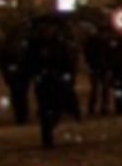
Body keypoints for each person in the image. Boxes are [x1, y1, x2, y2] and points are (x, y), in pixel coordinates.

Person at [20, 13, 79, 149]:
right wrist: (33, 75)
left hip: (56, 80)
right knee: (45, 107)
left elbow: (66, 61)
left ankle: (51, 124)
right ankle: (46, 135)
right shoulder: (34, 45)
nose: (48, 31)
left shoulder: (59, 44)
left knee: (57, 107)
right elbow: (28, 62)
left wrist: (67, 75)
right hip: (43, 81)